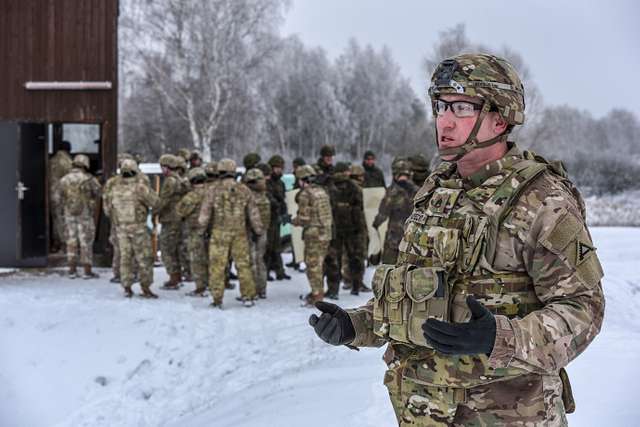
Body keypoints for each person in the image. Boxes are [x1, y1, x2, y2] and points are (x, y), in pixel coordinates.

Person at [308, 53, 605, 426]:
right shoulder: (435, 190)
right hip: (423, 410)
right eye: (440, 105)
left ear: (500, 117)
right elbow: (418, 293)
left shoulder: (542, 199)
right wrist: (357, 325)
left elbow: (584, 310)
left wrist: (501, 337)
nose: (444, 121)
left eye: (462, 107)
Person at [198, 158, 264, 308]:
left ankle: (217, 299)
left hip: (219, 233)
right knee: (243, 266)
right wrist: (258, 230)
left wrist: (201, 230)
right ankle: (248, 296)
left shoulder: (213, 190)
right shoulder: (244, 189)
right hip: (239, 234)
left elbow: (205, 214)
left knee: (217, 267)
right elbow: (253, 213)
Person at [107, 159, 159, 298]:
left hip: (121, 229)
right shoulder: (140, 187)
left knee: (125, 258)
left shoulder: (114, 188)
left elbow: (108, 210)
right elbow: (155, 202)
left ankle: (127, 287)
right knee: (144, 258)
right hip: (138, 229)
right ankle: (145, 288)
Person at [323, 162, 367, 297]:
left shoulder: (329, 187)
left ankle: (333, 290)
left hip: (336, 229)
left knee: (333, 260)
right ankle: (356, 286)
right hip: (352, 229)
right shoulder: (354, 187)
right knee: (354, 258)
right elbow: (360, 209)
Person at [292, 165, 333, 307]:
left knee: (312, 265)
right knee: (319, 264)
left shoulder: (305, 194)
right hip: (326, 233)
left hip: (314, 235)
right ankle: (318, 292)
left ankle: (317, 296)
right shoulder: (322, 191)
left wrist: (293, 220)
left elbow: (304, 218)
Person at [59, 154, 101, 278]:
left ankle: (72, 270)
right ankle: (87, 271)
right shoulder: (89, 179)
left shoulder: (64, 179)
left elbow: (60, 197)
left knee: (71, 241)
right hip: (85, 214)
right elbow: (99, 192)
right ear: (85, 165)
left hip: (69, 214)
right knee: (85, 241)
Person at [372, 158, 418, 265]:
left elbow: (382, 214)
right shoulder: (418, 191)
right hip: (413, 240)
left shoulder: (391, 192)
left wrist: (375, 225)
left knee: (389, 270)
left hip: (393, 240)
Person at [156, 154, 188, 289]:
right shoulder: (180, 179)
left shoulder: (170, 181)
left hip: (170, 219)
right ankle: (177, 277)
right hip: (178, 218)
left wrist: (154, 211)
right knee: (175, 249)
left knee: (167, 249)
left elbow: (163, 200)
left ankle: (173, 278)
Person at [176, 167, 209, 296]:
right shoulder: (212, 192)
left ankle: (200, 287)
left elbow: (180, 211)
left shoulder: (192, 196)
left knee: (196, 260)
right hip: (212, 231)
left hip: (196, 231)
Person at [243, 168, 271, 299]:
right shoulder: (264, 196)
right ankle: (262, 289)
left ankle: (253, 290)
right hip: (263, 231)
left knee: (252, 262)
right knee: (261, 261)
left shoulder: (249, 196)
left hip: (251, 232)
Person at [265, 155, 290, 281]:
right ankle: (267, 271)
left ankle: (280, 271)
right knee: (268, 246)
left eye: (281, 168)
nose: (279, 171)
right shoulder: (267, 182)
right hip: (269, 218)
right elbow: (269, 199)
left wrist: (284, 212)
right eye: (277, 168)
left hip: (277, 218)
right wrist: (278, 205)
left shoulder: (280, 183)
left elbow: (283, 199)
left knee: (277, 246)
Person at [49, 141, 73, 253]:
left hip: (52, 194)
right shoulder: (67, 162)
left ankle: (56, 243)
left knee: (56, 219)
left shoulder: (52, 160)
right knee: (64, 220)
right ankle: (63, 244)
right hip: (63, 195)